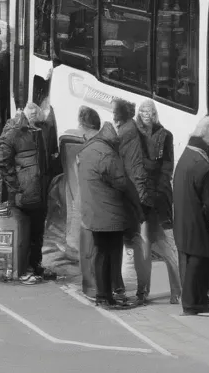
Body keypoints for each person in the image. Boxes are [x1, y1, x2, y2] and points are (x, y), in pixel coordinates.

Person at [76, 107, 143, 309]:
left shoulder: (87, 150)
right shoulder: (105, 152)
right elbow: (122, 183)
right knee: (109, 255)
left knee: (101, 254)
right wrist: (137, 207)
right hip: (109, 213)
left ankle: (103, 295)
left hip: (94, 212)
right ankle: (106, 297)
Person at [172, 116, 209, 317]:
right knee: (199, 264)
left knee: (192, 263)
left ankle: (199, 302)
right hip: (199, 223)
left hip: (184, 219)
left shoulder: (187, 155)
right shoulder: (203, 165)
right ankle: (193, 304)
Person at [0, 102, 55, 284]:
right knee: (24, 233)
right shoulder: (14, 133)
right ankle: (22, 271)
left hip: (38, 192)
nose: (35, 122)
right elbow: (1, 162)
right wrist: (14, 185)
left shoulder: (39, 132)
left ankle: (35, 266)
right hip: (22, 193)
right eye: (32, 118)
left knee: (37, 232)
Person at [135, 100, 180, 304]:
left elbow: (167, 167)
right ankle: (143, 291)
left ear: (155, 113)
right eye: (143, 111)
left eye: (150, 111)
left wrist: (159, 189)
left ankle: (177, 291)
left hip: (160, 198)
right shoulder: (134, 135)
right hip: (144, 199)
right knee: (144, 247)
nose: (147, 114)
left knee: (169, 246)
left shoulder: (165, 135)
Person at [112, 99, 151, 306]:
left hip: (130, 197)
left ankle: (130, 291)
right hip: (135, 196)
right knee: (136, 245)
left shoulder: (126, 134)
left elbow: (132, 170)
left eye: (114, 112)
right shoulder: (133, 131)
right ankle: (141, 290)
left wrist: (139, 201)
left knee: (130, 247)